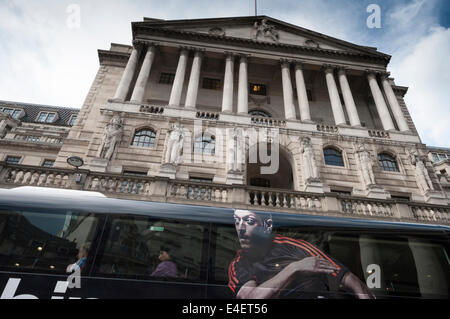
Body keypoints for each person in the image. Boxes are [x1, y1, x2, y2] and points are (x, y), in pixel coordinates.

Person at [228, 209, 374, 299]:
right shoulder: (238, 265)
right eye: (237, 221)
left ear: (268, 226)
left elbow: (348, 278)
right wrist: (294, 268)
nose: (240, 228)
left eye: (249, 221)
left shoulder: (296, 246)